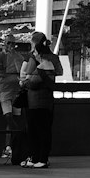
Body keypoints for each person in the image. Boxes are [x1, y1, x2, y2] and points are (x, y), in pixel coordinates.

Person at [21, 31, 63, 169]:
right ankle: (43, 157)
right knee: (45, 129)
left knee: (33, 130)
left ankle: (36, 157)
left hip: (34, 99)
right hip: (48, 100)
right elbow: (59, 72)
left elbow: (28, 78)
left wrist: (24, 82)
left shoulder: (33, 59)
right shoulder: (54, 58)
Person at [0, 34, 25, 163]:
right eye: (9, 43)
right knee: (9, 117)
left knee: (15, 118)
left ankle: (13, 146)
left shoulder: (19, 56)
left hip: (16, 91)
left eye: (13, 44)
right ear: (4, 44)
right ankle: (14, 142)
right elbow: (0, 73)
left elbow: (22, 72)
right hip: (5, 90)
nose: (11, 46)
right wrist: (15, 77)